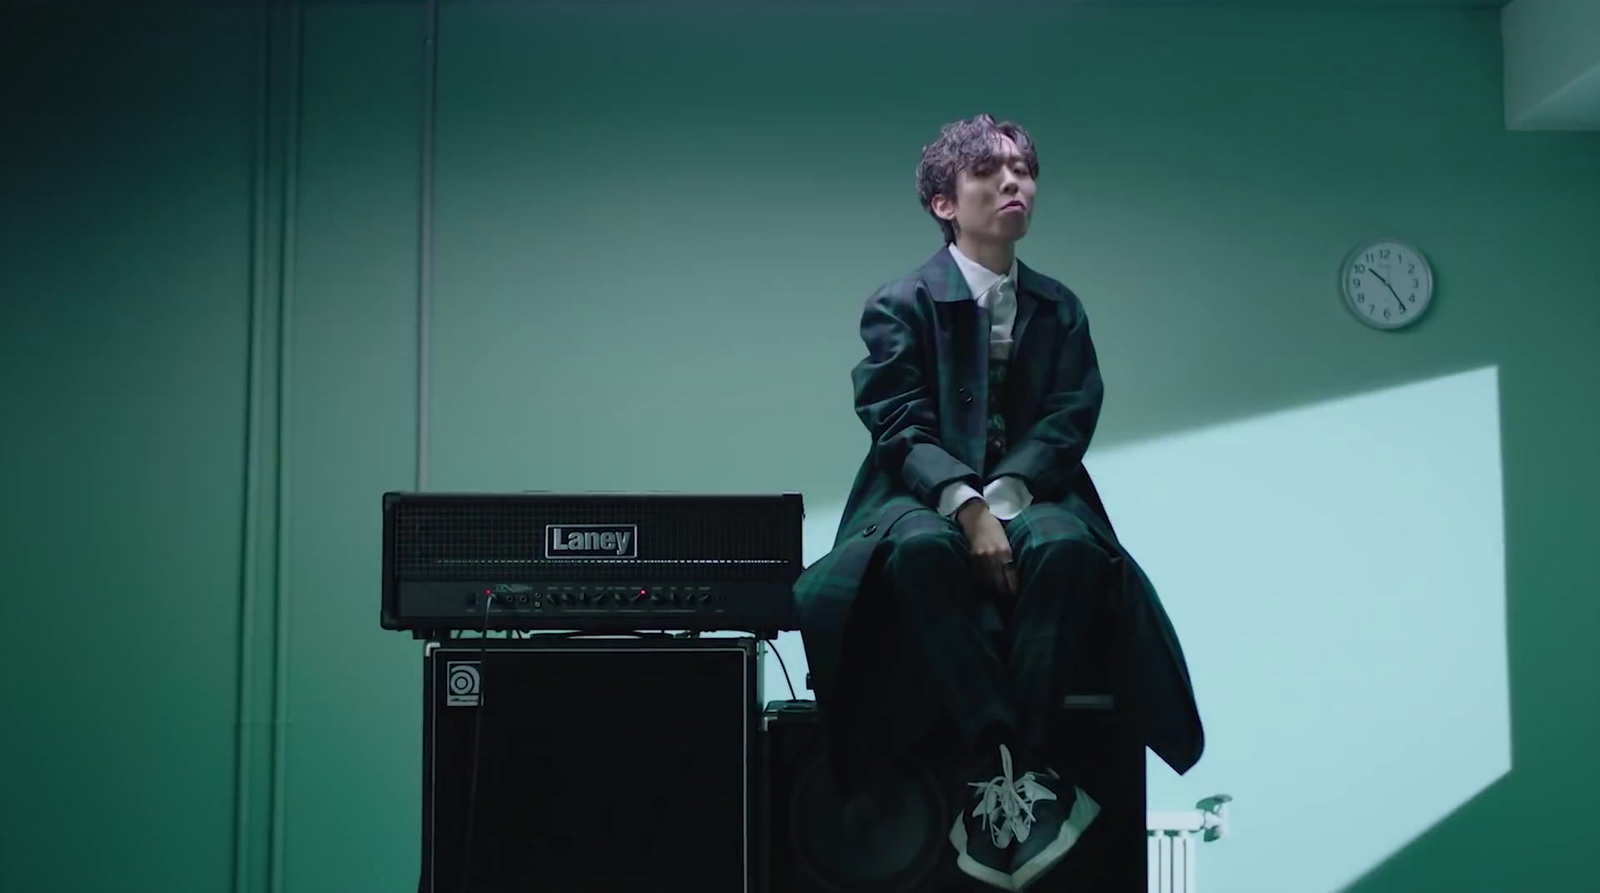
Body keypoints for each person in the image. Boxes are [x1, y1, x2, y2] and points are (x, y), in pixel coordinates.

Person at [792, 113, 1205, 893]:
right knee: (917, 548)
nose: (1014, 183)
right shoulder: (899, 301)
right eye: (990, 172)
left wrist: (1009, 495)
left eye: (1025, 170)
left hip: (1039, 490)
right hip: (914, 495)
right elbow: (896, 419)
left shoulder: (1060, 306)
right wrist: (968, 506)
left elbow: (1070, 415)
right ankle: (1004, 760)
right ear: (946, 201)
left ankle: (1021, 770)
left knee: (1070, 548)